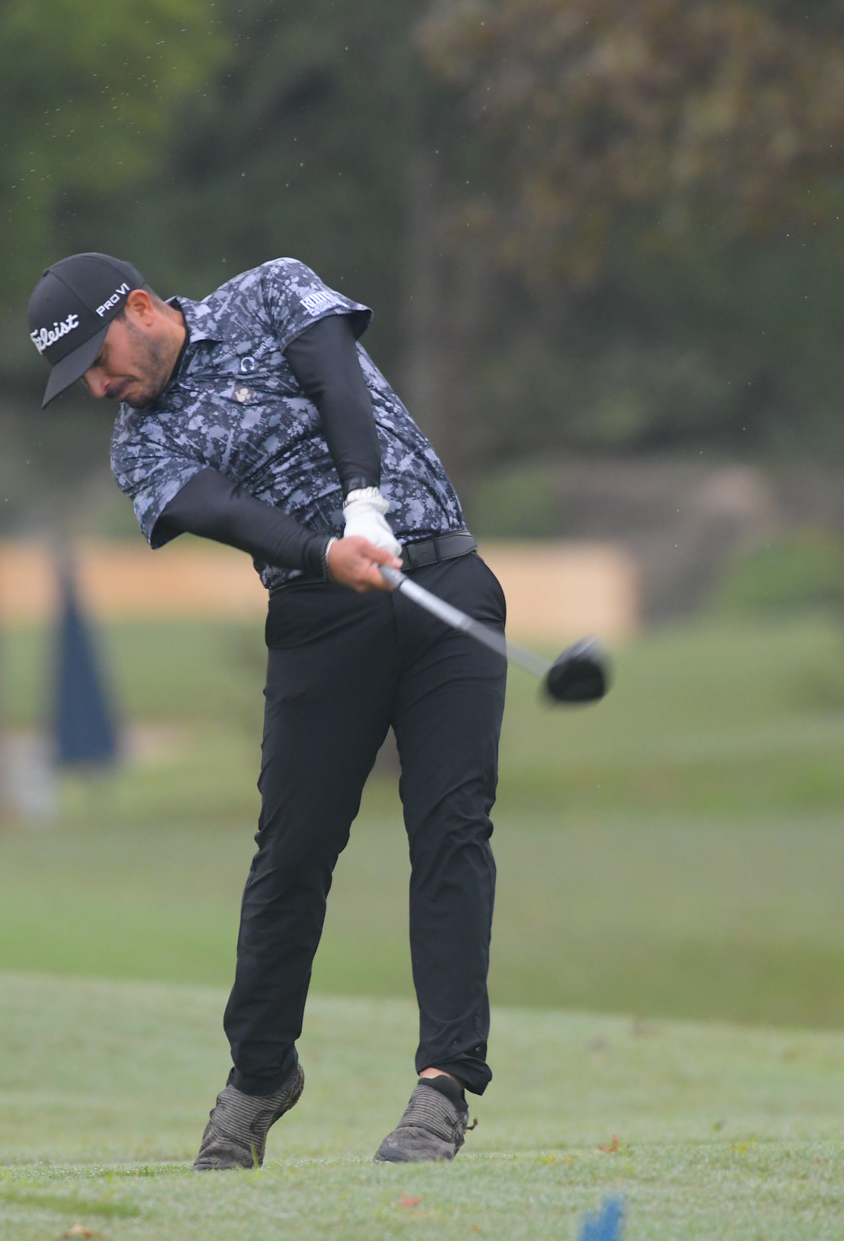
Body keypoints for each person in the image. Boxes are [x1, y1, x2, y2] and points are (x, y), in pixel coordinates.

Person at [28, 252, 506, 1167]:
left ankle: (444, 1085)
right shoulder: (140, 442)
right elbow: (223, 511)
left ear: (138, 307)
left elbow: (335, 378)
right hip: (321, 619)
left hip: (444, 578)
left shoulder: (271, 290)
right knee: (292, 854)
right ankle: (259, 1076)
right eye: (82, 375)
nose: (98, 385)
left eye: (98, 357)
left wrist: (364, 499)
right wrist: (328, 549)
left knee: (452, 829)